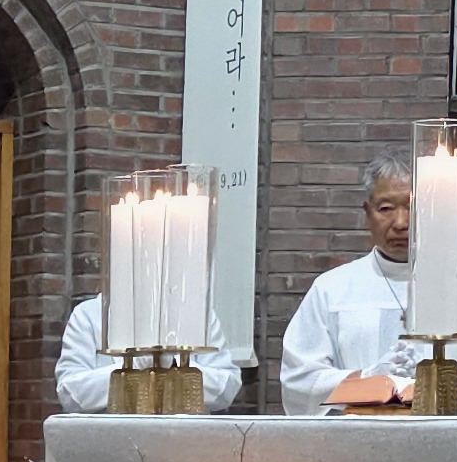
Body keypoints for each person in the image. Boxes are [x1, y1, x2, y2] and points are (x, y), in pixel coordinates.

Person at [276, 156, 419, 410]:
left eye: (412, 206)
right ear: (367, 213)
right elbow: (299, 381)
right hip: (356, 433)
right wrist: (368, 380)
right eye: (386, 208)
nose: (401, 223)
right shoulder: (331, 290)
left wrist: (434, 377)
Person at [54, 295, 242, 413]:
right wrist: (134, 366)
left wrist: (174, 366)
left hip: (183, 442)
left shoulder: (198, 313)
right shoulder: (89, 314)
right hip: (112, 443)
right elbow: (70, 395)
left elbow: (227, 389)